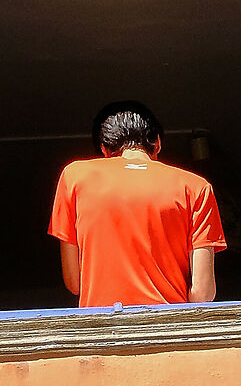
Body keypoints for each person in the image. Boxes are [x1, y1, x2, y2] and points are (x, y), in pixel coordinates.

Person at [48, 101, 225, 308]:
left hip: (105, 328)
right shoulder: (196, 187)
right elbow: (203, 293)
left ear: (104, 149)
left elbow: (74, 282)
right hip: (168, 327)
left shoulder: (74, 176)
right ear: (157, 143)